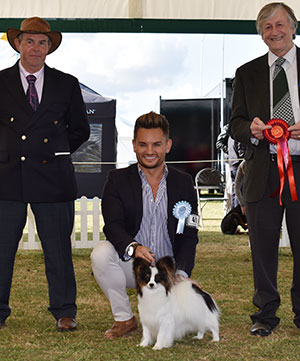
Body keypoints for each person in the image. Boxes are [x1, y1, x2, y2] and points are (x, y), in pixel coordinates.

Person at [0, 17, 90, 331]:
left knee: (58, 250)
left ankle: (65, 311)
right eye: (29, 41)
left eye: (42, 42)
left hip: (54, 178)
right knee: (1, 250)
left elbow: (81, 129)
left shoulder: (67, 83)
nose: (36, 48)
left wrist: (56, 151)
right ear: (17, 44)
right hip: (6, 179)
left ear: (49, 47)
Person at [91, 111, 199, 339]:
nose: (149, 151)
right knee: (100, 254)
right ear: (133, 145)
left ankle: (177, 299)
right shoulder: (116, 180)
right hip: (132, 266)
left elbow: (190, 234)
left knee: (185, 326)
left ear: (168, 145)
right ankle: (125, 320)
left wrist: (181, 272)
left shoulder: (184, 183)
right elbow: (112, 226)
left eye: (156, 144)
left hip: (168, 273)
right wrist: (133, 247)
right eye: (143, 144)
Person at [229, 2, 300, 336]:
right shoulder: (247, 73)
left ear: (293, 27)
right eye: (267, 27)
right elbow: (235, 124)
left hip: (299, 168)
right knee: (262, 248)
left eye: (280, 25)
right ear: (261, 34)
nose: (274, 32)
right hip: (262, 172)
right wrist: (253, 130)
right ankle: (265, 315)